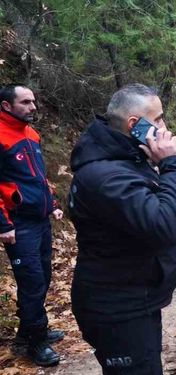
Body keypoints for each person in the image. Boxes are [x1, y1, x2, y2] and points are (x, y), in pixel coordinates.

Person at [69, 83, 176, 374]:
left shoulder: (126, 157)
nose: (165, 126)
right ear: (134, 124)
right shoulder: (106, 175)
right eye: (159, 119)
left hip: (136, 297)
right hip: (118, 308)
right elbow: (163, 226)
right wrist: (172, 164)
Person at [0, 84, 64, 366]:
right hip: (18, 223)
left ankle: (29, 332)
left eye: (34, 102)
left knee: (43, 278)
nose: (33, 107)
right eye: (25, 102)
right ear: (6, 106)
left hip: (41, 220)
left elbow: (37, 177)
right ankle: (35, 344)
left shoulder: (31, 134)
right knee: (32, 283)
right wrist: (3, 224)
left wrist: (52, 203)